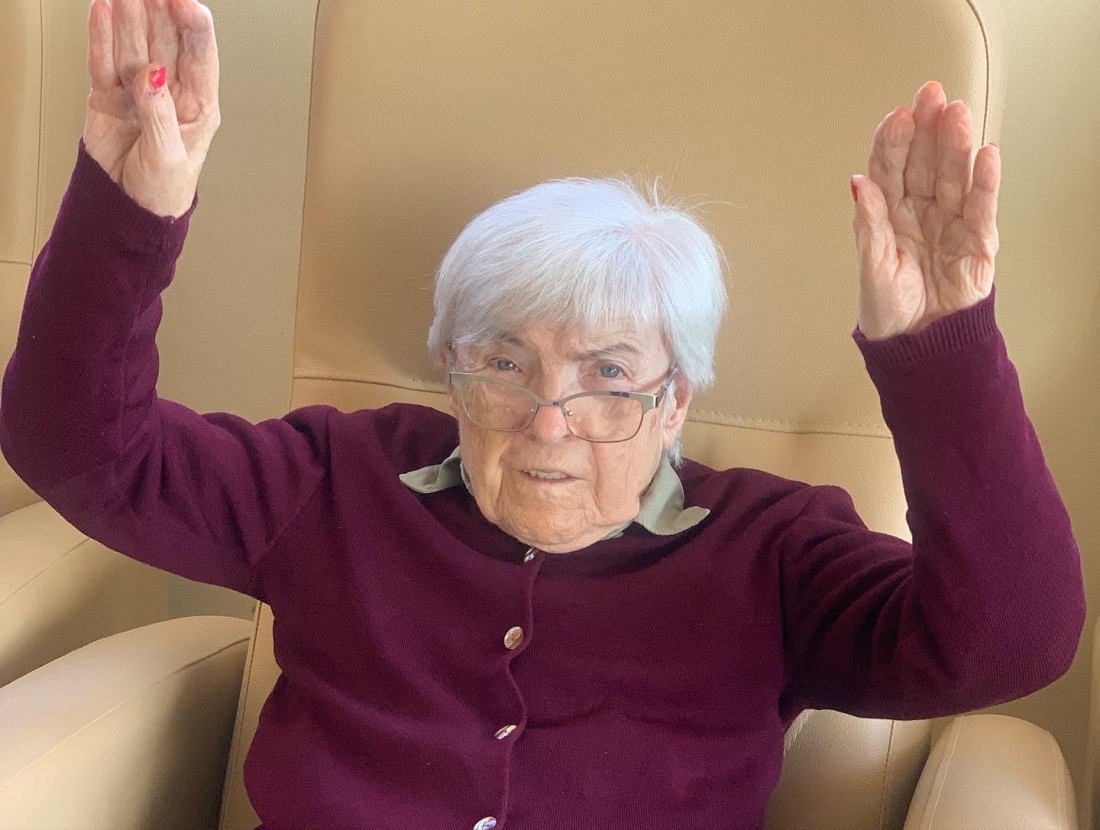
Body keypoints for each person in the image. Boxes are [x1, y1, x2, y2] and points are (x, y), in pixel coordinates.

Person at [0, 0, 1084, 828]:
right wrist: (128, 201)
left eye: (607, 373)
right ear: (450, 371)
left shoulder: (771, 550)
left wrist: (941, 351)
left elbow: (1010, 642)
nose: (548, 420)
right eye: (504, 363)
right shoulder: (333, 481)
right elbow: (80, 447)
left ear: (676, 399)